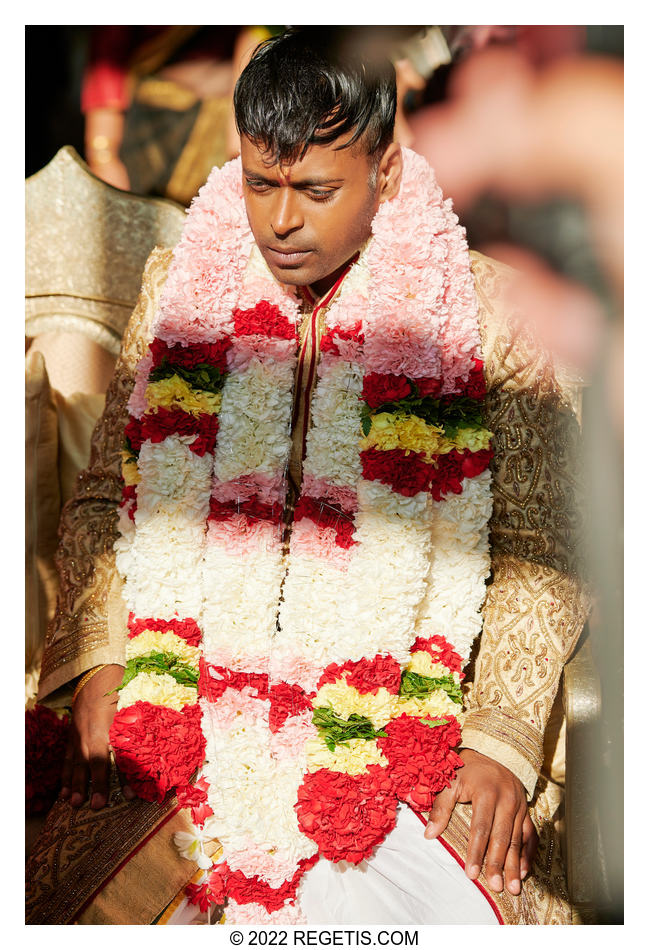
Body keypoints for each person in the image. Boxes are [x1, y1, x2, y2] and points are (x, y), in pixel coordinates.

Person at [27, 28, 587, 925]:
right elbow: (105, 497)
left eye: (316, 190)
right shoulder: (182, 290)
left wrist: (499, 742)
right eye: (259, 183)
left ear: (387, 174)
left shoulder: (490, 317)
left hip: (403, 713)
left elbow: (539, 552)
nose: (280, 221)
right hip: (190, 695)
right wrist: (101, 662)